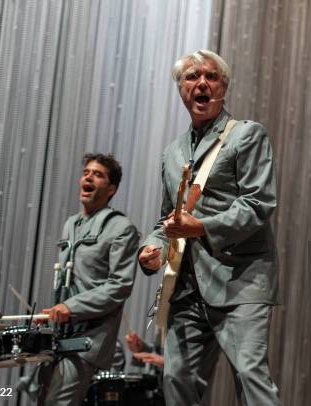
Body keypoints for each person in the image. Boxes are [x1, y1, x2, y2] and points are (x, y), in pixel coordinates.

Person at [138, 49, 280, 405]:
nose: (201, 83)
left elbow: (257, 203)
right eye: (191, 77)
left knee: (251, 378)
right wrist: (152, 246)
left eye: (211, 77)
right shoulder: (170, 153)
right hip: (186, 288)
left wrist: (200, 227)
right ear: (180, 89)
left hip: (240, 282)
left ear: (224, 87)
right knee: (175, 381)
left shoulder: (246, 135)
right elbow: (167, 218)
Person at [39, 153, 139, 405]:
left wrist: (70, 308)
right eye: (86, 173)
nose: (88, 177)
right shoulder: (70, 225)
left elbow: (119, 286)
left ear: (111, 189)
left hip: (87, 341)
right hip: (58, 336)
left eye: (98, 174)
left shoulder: (121, 228)